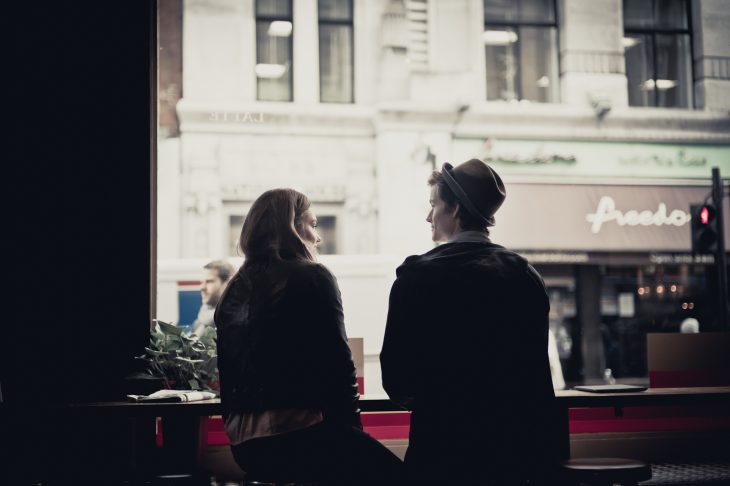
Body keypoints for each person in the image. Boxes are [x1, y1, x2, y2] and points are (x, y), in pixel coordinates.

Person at [380, 159, 558, 485]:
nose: (428, 215)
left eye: (434, 205)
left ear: (456, 209)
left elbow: (396, 377)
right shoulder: (525, 275)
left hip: (440, 450)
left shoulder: (416, 276)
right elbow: (535, 376)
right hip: (510, 455)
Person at [215, 188, 403, 485]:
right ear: (292, 226)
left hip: (245, 445)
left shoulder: (232, 290)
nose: (318, 237)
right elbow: (339, 364)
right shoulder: (313, 276)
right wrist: (352, 432)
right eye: (312, 225)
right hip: (303, 435)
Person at [190, 259, 235, 337]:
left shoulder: (235, 322)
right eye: (201, 282)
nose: (202, 287)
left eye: (209, 281)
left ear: (228, 283)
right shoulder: (199, 322)